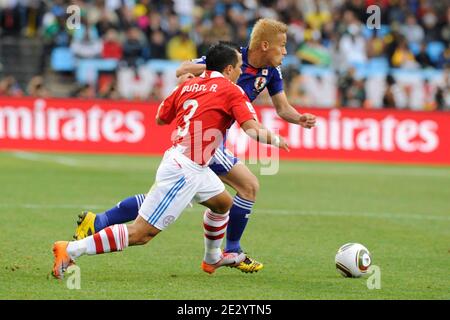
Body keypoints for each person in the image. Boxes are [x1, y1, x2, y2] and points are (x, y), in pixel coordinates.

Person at [73, 18, 316, 273]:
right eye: (282, 46)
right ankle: (231, 250)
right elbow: (184, 69)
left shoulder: (271, 74)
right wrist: (188, 76)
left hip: (211, 140)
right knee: (248, 186)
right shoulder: (231, 58)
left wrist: (299, 119)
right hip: (203, 138)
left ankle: (100, 220)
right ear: (265, 45)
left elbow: (283, 108)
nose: (286, 52)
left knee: (178, 197)